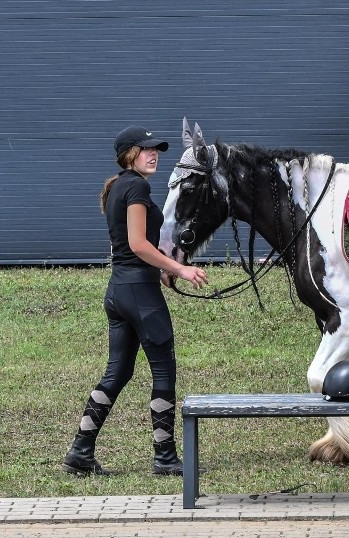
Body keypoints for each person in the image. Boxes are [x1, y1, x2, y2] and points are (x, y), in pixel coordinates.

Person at [62, 125, 208, 476]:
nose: (153, 153)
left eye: (156, 149)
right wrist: (180, 268)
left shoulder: (117, 187)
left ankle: (80, 451)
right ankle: (165, 457)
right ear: (130, 154)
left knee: (117, 372)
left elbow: (129, 250)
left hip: (120, 290)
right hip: (140, 295)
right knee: (163, 372)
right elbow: (139, 244)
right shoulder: (137, 186)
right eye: (145, 149)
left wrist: (160, 271)